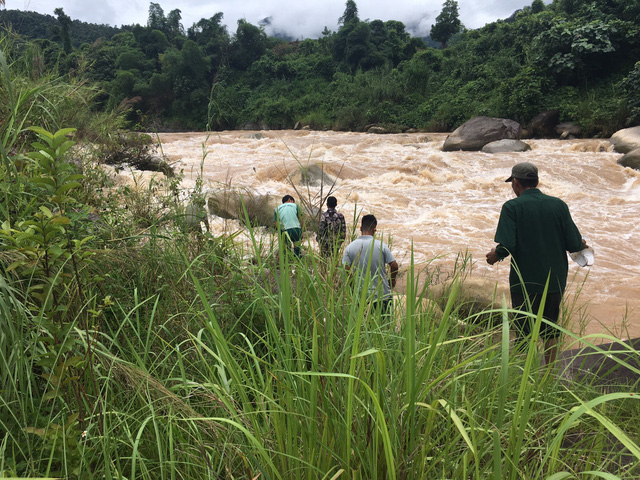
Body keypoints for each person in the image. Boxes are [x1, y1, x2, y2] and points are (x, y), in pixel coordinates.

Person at [486, 162, 587, 365]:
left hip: (525, 281)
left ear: (515, 182)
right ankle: (548, 373)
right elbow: (574, 244)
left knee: (523, 330)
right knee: (550, 328)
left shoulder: (512, 207)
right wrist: (581, 242)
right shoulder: (558, 205)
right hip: (554, 279)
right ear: (537, 181)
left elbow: (506, 246)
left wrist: (494, 255)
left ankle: (524, 372)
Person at [342, 214, 398, 315]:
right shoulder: (381, 246)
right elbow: (394, 266)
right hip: (382, 295)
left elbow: (345, 269)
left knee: (363, 326)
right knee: (385, 326)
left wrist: (352, 286)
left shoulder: (350, 247)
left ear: (360, 228)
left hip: (361, 296)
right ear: (374, 229)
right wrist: (392, 281)